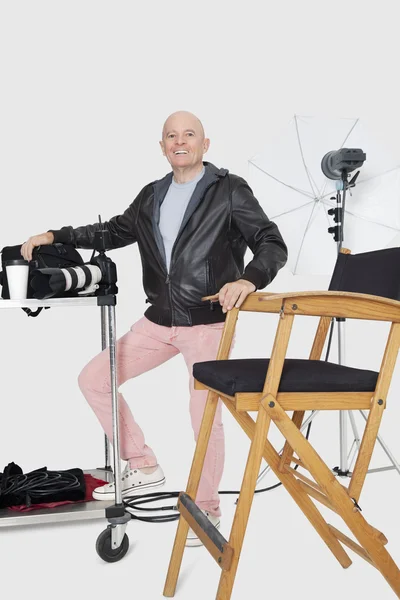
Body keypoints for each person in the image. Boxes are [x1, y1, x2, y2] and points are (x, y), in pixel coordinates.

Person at [21, 111, 287, 546]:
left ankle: (208, 507)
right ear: (161, 147)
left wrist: (247, 279)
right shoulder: (152, 195)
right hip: (159, 319)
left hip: (207, 322)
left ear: (205, 144)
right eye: (171, 136)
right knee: (94, 379)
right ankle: (144, 465)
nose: (179, 141)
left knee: (203, 417)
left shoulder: (229, 190)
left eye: (189, 135)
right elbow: (112, 231)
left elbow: (272, 243)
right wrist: (56, 235)